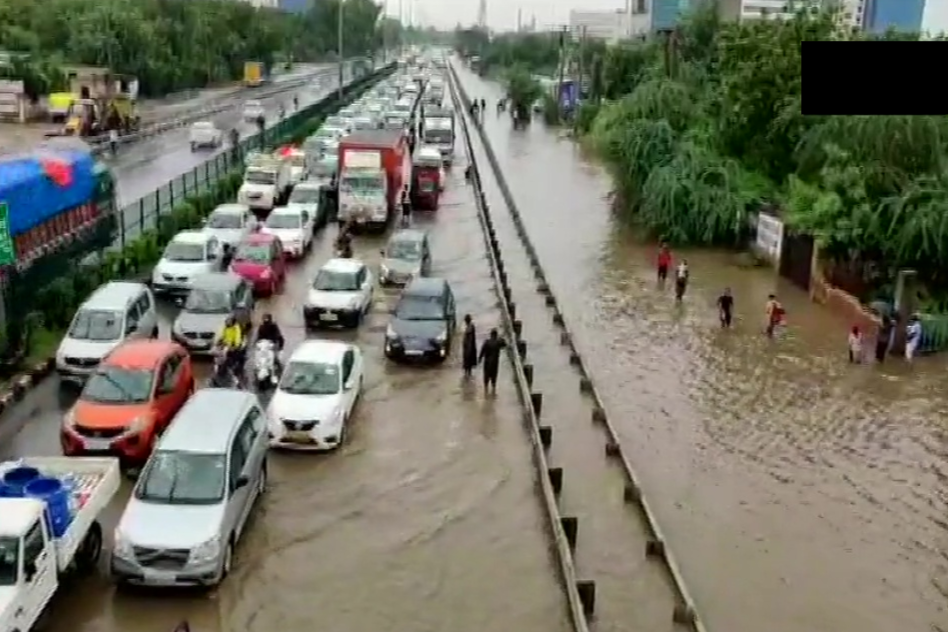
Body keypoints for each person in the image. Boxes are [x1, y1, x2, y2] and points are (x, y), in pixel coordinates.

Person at [218, 316, 246, 386]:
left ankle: (236, 375)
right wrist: (219, 341)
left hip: (235, 345)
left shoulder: (236, 328)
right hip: (227, 345)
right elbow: (222, 335)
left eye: (229, 321)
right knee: (221, 356)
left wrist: (235, 346)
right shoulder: (225, 327)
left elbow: (237, 337)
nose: (228, 323)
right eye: (227, 321)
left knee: (233, 357)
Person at [478, 328, 506, 395]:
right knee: (494, 376)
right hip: (495, 363)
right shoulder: (498, 342)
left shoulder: (487, 342)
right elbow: (505, 344)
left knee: (486, 376)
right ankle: (493, 390)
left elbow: (482, 351)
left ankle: (486, 391)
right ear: (496, 335)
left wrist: (479, 359)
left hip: (487, 362)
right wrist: (501, 338)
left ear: (491, 335)